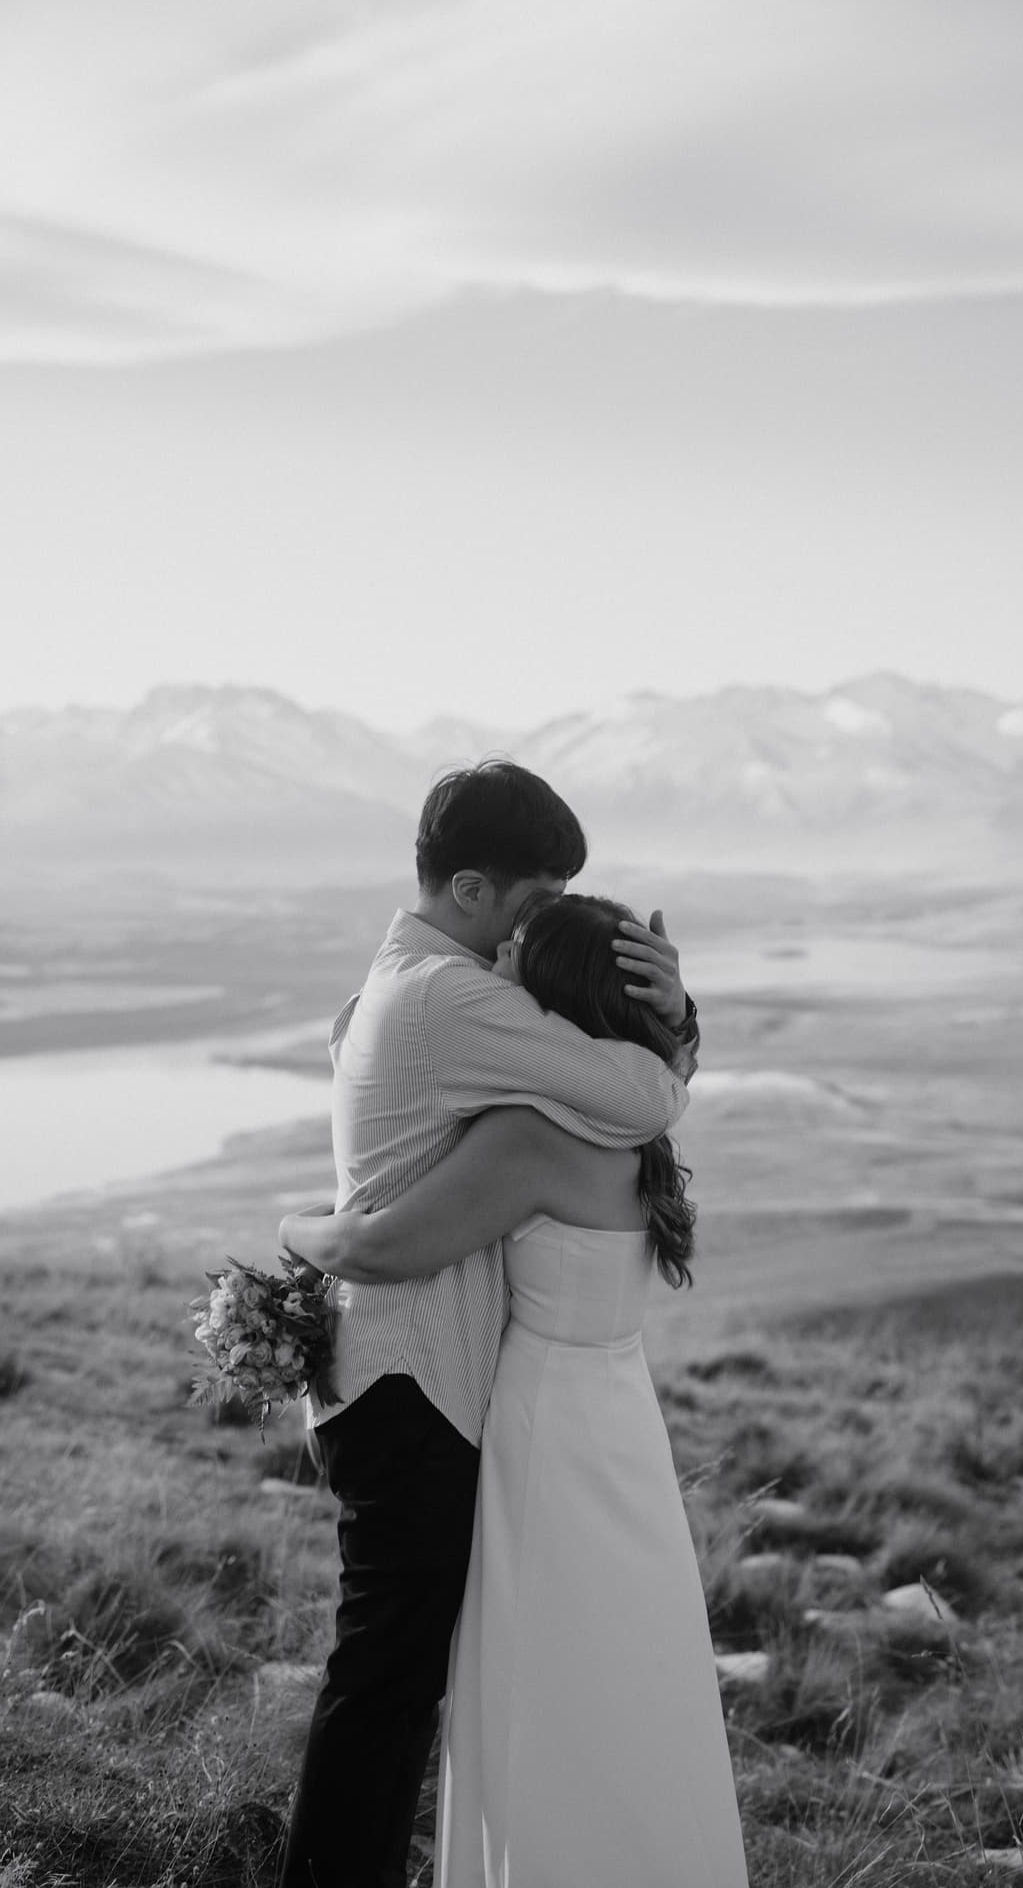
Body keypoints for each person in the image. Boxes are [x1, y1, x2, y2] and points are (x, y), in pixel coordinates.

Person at [278, 762, 699, 1888]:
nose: (541, 925)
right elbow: (639, 1096)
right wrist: (675, 1021)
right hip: (410, 1382)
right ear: (469, 887)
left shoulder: (402, 979)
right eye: (532, 900)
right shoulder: (451, 997)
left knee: (393, 1671)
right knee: (386, 1677)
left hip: (407, 1378)